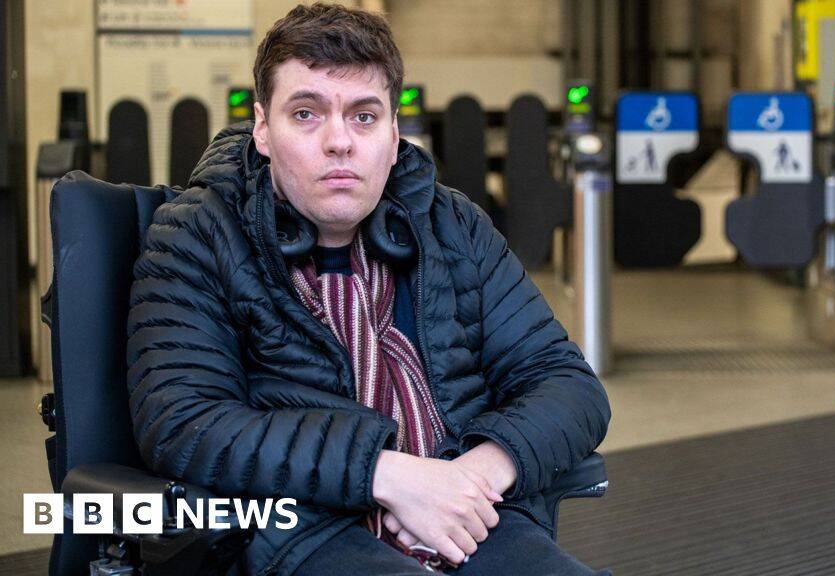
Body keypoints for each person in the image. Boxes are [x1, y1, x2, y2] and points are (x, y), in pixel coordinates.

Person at [125, 3, 611, 575]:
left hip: (470, 515)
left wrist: (471, 477)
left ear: (393, 131)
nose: (339, 141)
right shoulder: (199, 234)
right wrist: (388, 475)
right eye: (305, 114)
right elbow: (185, 421)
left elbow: (567, 383)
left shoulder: (451, 226)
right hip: (301, 531)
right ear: (262, 128)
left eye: (363, 116)